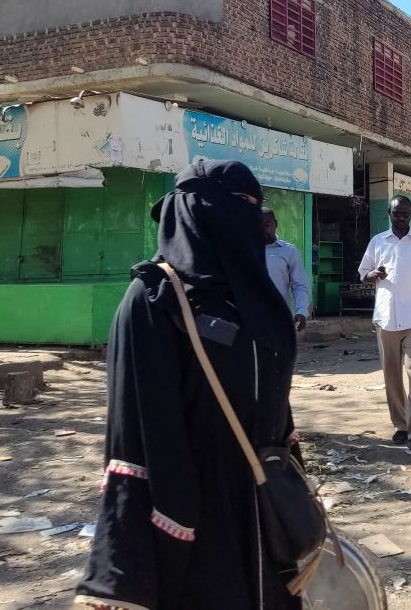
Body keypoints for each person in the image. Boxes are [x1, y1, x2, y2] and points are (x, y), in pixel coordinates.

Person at [75, 159, 302, 609]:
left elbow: (276, 402)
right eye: (242, 205)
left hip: (266, 520)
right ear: (203, 211)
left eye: (257, 207)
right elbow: (135, 439)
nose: (253, 219)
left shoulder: (254, 298)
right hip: (197, 529)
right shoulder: (153, 301)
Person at [358, 195, 411, 455]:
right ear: (389, 214)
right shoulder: (377, 242)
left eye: (405, 213)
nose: (401, 217)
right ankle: (401, 425)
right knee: (391, 375)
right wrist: (373, 275)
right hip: (386, 318)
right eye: (397, 213)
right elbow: (363, 274)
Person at [262, 207, 310, 332]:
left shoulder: (289, 251)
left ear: (275, 224)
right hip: (252, 321)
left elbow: (299, 285)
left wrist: (302, 312)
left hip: (280, 320)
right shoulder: (247, 252)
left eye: (267, 224)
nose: (262, 230)